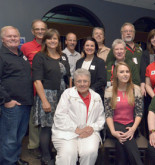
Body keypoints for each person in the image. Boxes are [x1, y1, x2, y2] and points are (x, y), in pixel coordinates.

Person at [0, 26, 33, 165]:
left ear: (19, 38)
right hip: (10, 106)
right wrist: (7, 100)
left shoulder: (21, 55)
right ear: (2, 39)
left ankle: (15, 159)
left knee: (19, 137)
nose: (13, 38)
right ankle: (8, 162)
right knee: (9, 138)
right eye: (9, 36)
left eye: (15, 36)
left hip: (24, 104)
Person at [32, 29, 71, 164]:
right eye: (49, 38)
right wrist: (44, 101)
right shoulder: (40, 57)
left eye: (55, 38)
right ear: (45, 41)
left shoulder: (63, 56)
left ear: (58, 41)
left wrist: (70, 93)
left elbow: (68, 76)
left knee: (60, 126)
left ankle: (57, 153)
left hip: (62, 95)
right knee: (47, 128)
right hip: (47, 95)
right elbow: (37, 80)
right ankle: (46, 158)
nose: (52, 41)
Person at [52, 68, 105, 165]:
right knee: (68, 154)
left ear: (89, 82)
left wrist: (92, 128)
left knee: (89, 152)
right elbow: (60, 116)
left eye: (85, 81)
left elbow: (101, 119)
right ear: (75, 82)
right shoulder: (67, 94)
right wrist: (76, 129)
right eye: (79, 81)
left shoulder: (96, 97)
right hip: (67, 132)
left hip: (89, 132)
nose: (82, 84)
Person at [104, 62, 144, 165]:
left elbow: (139, 112)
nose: (125, 74)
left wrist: (133, 129)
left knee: (121, 142)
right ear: (116, 74)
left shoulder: (136, 89)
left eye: (127, 72)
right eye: (121, 72)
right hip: (114, 125)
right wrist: (113, 132)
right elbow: (108, 114)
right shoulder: (109, 91)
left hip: (131, 125)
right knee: (126, 138)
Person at [21, 19, 47, 159]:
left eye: (43, 29)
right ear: (32, 31)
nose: (40, 31)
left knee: (48, 118)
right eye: (37, 29)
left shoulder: (51, 45)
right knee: (34, 119)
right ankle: (33, 145)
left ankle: (46, 144)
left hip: (50, 88)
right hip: (34, 89)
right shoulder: (26, 47)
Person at [140, 29, 155, 96]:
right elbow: (143, 71)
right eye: (152, 37)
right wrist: (142, 85)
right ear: (150, 40)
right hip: (150, 86)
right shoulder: (146, 53)